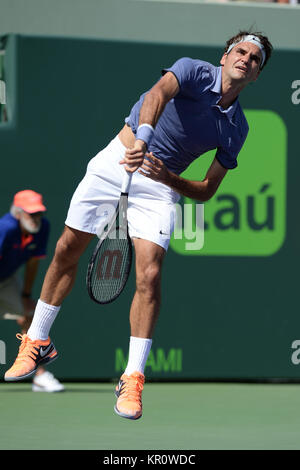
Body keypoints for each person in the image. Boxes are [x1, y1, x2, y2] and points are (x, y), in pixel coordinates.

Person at [5, 31, 272, 418]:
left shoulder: (237, 128)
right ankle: (38, 339)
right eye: (241, 51)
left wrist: (167, 177)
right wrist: (143, 137)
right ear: (226, 56)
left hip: (160, 188)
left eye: (255, 59)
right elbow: (157, 95)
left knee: (149, 275)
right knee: (66, 247)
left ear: (257, 75)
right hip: (120, 157)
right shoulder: (193, 71)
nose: (246, 59)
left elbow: (207, 189)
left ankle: (132, 377)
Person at [1, 190, 64, 392]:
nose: (36, 219)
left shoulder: (42, 227)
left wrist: (26, 295)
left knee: (30, 315)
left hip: (7, 279)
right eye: (31, 214)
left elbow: (33, 262)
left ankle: (39, 376)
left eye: (38, 213)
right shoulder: (6, 228)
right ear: (18, 213)